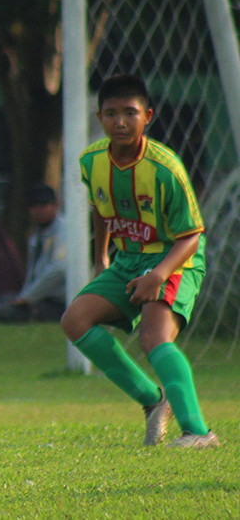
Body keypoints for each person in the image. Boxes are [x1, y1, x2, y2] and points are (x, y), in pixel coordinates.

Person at [60, 74, 219, 448]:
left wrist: (158, 275)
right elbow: (100, 207)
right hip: (127, 260)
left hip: (173, 259)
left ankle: (198, 432)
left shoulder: (166, 168)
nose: (120, 122)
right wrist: (101, 256)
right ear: (99, 117)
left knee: (153, 338)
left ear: (147, 116)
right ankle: (153, 401)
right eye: (111, 113)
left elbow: (191, 235)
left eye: (129, 113)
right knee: (75, 321)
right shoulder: (91, 161)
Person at [0, 183, 67, 323]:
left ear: (56, 205)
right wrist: (23, 298)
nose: (38, 211)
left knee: (2, 312)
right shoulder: (37, 234)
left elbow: (59, 270)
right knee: (4, 299)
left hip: (60, 302)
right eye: (34, 206)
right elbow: (32, 274)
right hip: (39, 299)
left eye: (43, 205)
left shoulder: (64, 231)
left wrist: (27, 299)